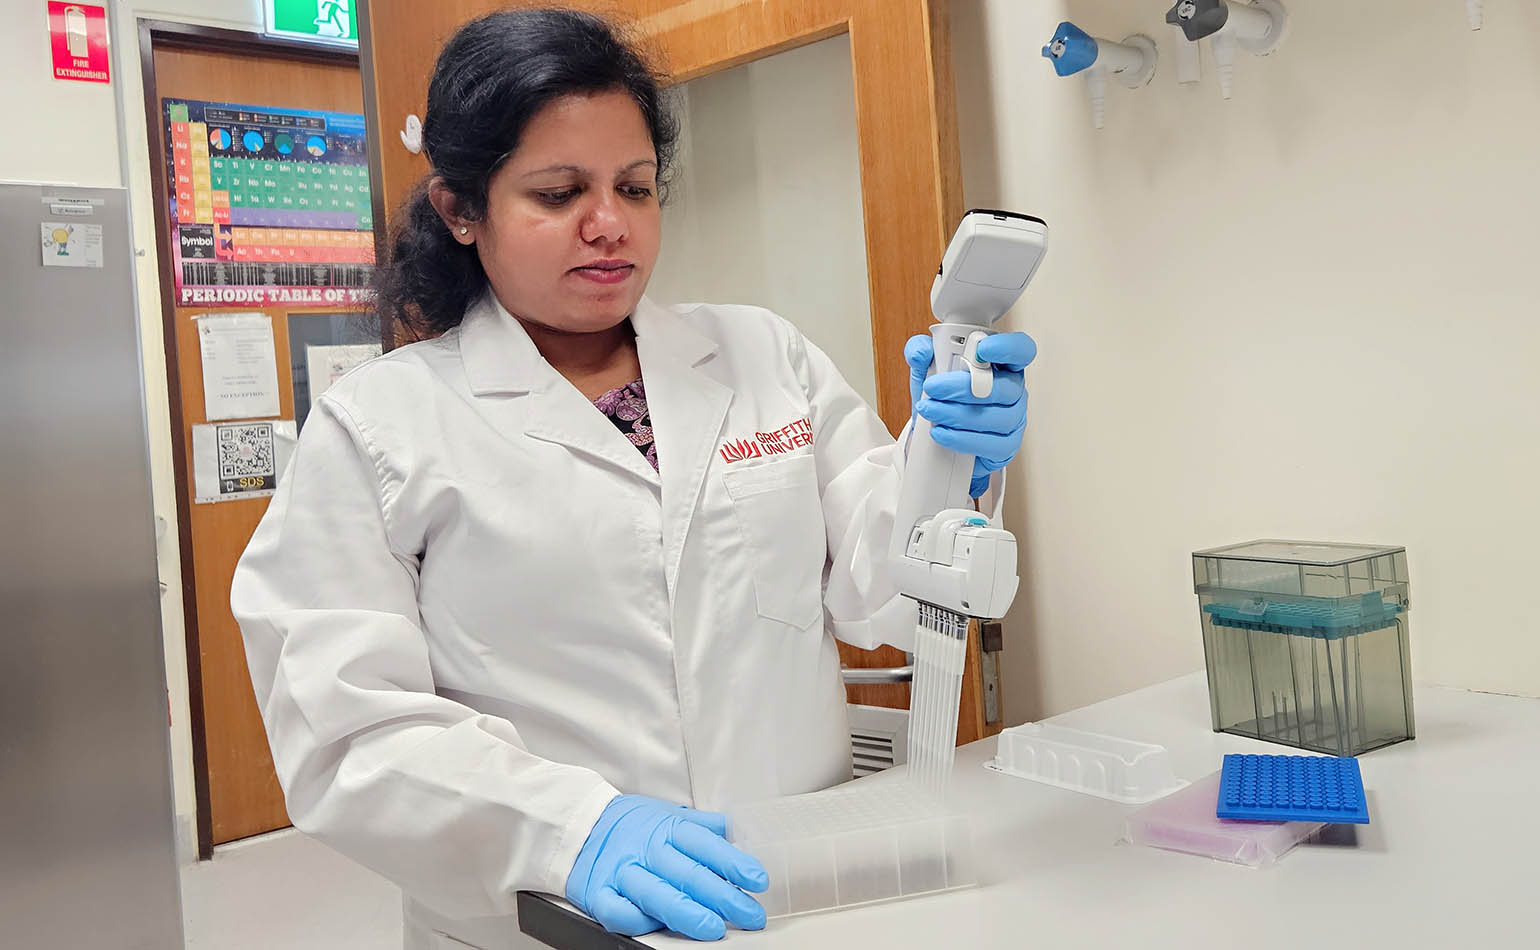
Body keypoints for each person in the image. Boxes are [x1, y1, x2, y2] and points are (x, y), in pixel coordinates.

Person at [229, 8, 1034, 950]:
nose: (609, 225)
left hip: (788, 895)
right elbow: (346, 734)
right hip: (544, 921)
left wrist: (946, 466)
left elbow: (880, 598)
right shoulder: (379, 425)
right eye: (559, 191)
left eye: (635, 186)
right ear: (459, 209)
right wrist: (573, 831)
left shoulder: (761, 354)